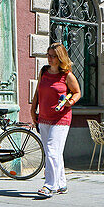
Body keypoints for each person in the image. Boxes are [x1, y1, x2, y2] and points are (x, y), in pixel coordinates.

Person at [30, 43, 81, 198]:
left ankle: (49, 185)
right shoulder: (44, 72)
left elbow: (77, 92)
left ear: (60, 58)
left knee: (52, 150)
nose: (49, 58)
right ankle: (61, 183)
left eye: (53, 56)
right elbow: (38, 92)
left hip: (61, 118)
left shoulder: (67, 75)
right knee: (53, 152)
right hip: (44, 117)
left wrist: (70, 102)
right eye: (48, 55)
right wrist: (33, 110)